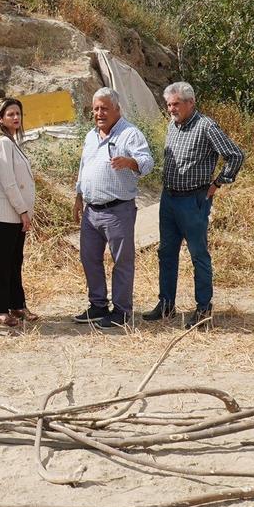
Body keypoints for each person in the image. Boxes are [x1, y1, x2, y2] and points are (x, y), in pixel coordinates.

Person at [144, 81, 245, 329]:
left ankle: (203, 309)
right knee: (166, 253)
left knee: (198, 255)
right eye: (168, 104)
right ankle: (166, 304)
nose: (171, 109)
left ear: (191, 103)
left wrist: (219, 183)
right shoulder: (172, 125)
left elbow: (236, 154)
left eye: (176, 104)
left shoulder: (206, 126)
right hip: (168, 199)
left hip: (194, 200)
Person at [72, 87, 154, 329]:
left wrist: (130, 162)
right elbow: (83, 167)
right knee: (89, 258)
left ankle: (121, 311)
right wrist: (78, 196)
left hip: (118, 211)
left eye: (105, 108)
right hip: (91, 211)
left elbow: (148, 163)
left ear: (117, 109)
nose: (99, 113)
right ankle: (98, 305)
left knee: (122, 262)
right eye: (96, 108)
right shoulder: (90, 136)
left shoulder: (130, 134)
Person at [0, 97, 37, 328]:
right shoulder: (3, 144)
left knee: (15, 260)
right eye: (10, 114)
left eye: (18, 114)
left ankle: (17, 304)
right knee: (4, 261)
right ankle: (0, 309)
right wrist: (23, 211)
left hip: (14, 213)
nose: (16, 118)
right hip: (5, 213)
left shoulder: (11, 142)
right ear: (0, 119)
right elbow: (9, 182)